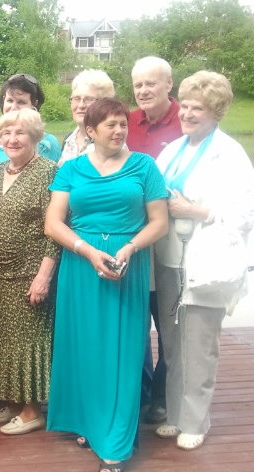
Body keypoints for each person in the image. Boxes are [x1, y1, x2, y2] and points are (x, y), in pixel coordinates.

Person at [45, 98, 169, 472]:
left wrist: (129, 248)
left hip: (126, 265)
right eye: (110, 125)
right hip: (81, 266)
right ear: (90, 131)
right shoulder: (71, 168)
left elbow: (159, 222)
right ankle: (89, 422)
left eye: (123, 124)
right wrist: (87, 251)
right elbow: (54, 223)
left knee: (122, 351)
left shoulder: (144, 166)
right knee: (84, 348)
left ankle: (114, 442)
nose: (119, 131)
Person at [153, 71, 254, 451]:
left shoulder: (230, 155)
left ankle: (196, 421)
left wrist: (196, 211)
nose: (188, 114)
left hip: (206, 263)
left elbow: (245, 214)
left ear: (217, 112)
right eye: (186, 106)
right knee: (173, 343)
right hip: (170, 260)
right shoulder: (173, 150)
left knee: (199, 346)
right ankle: (176, 414)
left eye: (199, 108)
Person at [0, 109, 60, 435]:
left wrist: (44, 276)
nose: (12, 139)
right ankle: (14, 401)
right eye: (6, 133)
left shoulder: (48, 172)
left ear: (35, 136)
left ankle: (32, 411)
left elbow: (55, 229)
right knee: (4, 342)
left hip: (29, 274)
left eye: (20, 133)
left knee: (28, 344)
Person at [127, 56, 183, 425]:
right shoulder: (128, 122)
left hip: (172, 239)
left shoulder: (184, 121)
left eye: (151, 83)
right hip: (134, 238)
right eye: (138, 85)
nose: (144, 90)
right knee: (136, 318)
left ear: (168, 84)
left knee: (169, 324)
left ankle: (164, 396)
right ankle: (141, 392)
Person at [0, 73, 62, 171]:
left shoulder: (48, 144)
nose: (14, 107)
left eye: (21, 102)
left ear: (34, 104)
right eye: (10, 100)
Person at [58, 69, 117, 165]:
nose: (81, 105)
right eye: (76, 98)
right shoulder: (68, 140)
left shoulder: (112, 143)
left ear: (105, 104)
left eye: (89, 99)